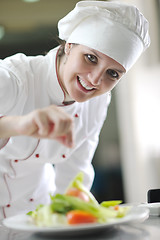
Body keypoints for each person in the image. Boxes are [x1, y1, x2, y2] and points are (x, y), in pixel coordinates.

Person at [0, 0, 150, 219]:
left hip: (34, 220)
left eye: (113, 74)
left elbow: (74, 174)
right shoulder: (13, 79)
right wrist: (17, 125)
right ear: (69, 45)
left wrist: (77, 218)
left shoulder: (97, 101)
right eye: (90, 58)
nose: (95, 79)